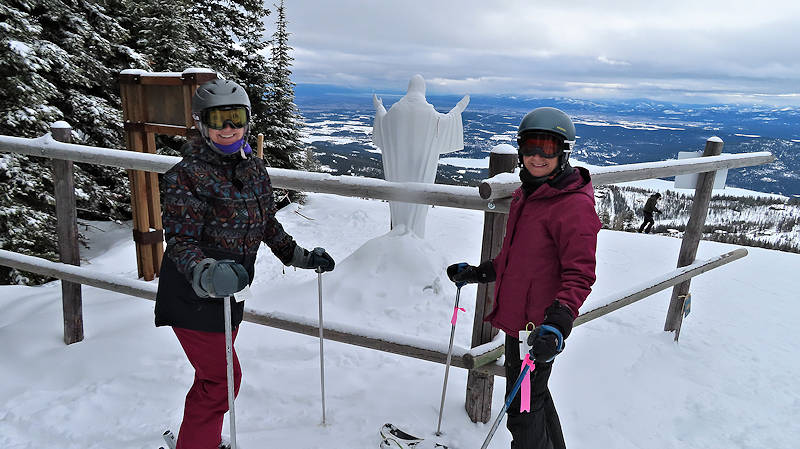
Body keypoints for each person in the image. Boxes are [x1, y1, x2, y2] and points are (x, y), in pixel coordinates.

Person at [154, 79, 335, 449]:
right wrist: (205, 272)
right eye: (217, 119)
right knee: (221, 381)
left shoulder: (253, 168)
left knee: (214, 378)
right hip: (194, 295)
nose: (228, 128)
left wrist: (298, 256)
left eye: (235, 117)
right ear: (201, 123)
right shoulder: (185, 176)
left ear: (248, 119)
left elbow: (265, 222)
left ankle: (199, 438)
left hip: (232, 291)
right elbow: (181, 241)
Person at [447, 107, 601, 449]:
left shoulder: (572, 206)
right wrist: (481, 271)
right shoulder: (526, 194)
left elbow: (580, 274)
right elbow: (516, 257)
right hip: (519, 325)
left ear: (563, 151)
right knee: (534, 399)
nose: (537, 156)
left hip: (539, 330)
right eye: (531, 146)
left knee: (523, 408)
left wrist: (558, 323)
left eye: (547, 147)